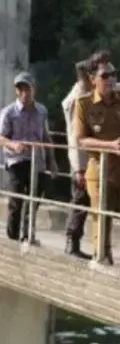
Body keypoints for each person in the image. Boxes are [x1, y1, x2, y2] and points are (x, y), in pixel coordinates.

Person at [74, 55, 120, 269]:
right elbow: (81, 140)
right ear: (93, 78)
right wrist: (111, 146)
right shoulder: (84, 103)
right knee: (101, 218)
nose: (111, 79)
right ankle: (102, 261)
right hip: (99, 169)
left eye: (114, 74)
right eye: (105, 75)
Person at [0, 72, 56, 244]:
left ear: (34, 90)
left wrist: (51, 160)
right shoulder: (9, 112)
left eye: (28, 88)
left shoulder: (41, 111)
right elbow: (1, 137)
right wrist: (14, 145)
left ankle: (27, 235)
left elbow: (45, 136)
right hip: (16, 160)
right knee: (17, 198)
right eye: (21, 89)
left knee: (35, 197)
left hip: (36, 161)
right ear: (17, 91)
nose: (25, 93)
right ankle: (13, 235)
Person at [62, 59, 93, 259]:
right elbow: (75, 137)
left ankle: (72, 243)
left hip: (84, 161)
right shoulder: (77, 99)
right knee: (80, 201)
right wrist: (79, 168)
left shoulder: (82, 94)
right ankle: (71, 243)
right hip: (81, 161)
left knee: (83, 201)